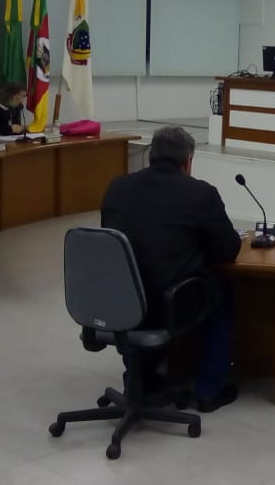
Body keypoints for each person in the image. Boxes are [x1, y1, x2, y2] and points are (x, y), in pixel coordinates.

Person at [101, 125, 242, 412]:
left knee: (149, 282)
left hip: (118, 302)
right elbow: (227, 250)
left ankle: (143, 380)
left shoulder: (118, 187)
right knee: (220, 292)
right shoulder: (200, 194)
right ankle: (209, 390)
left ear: (151, 154)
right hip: (168, 304)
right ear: (188, 161)